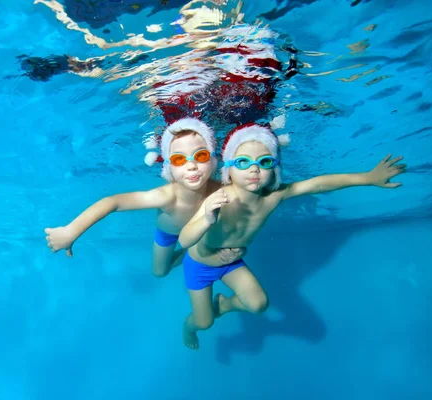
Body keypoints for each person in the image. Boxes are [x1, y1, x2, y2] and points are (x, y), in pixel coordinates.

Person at [178, 122, 406, 349]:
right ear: (228, 168)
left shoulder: (274, 196)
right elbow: (185, 239)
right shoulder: (220, 198)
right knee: (204, 322)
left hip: (231, 263)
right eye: (243, 162)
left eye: (264, 162)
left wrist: (368, 178)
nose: (254, 169)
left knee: (258, 304)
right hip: (200, 265)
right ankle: (188, 329)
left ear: (275, 167)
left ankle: (225, 305)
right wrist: (207, 217)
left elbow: (317, 184)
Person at [45, 117, 244, 277]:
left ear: (213, 159)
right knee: (159, 272)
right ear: (168, 167)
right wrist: (70, 231)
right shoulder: (165, 196)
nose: (191, 166)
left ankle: (197, 246)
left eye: (200, 156)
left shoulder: (224, 188)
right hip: (169, 233)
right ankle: (190, 251)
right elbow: (112, 202)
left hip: (205, 230)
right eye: (179, 159)